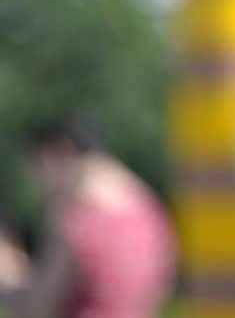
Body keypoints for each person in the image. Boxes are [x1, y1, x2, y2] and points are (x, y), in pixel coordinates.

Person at [0, 119, 177, 318]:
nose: (36, 184)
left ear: (55, 153)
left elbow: (34, 309)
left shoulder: (74, 221)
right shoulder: (148, 208)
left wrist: (7, 269)